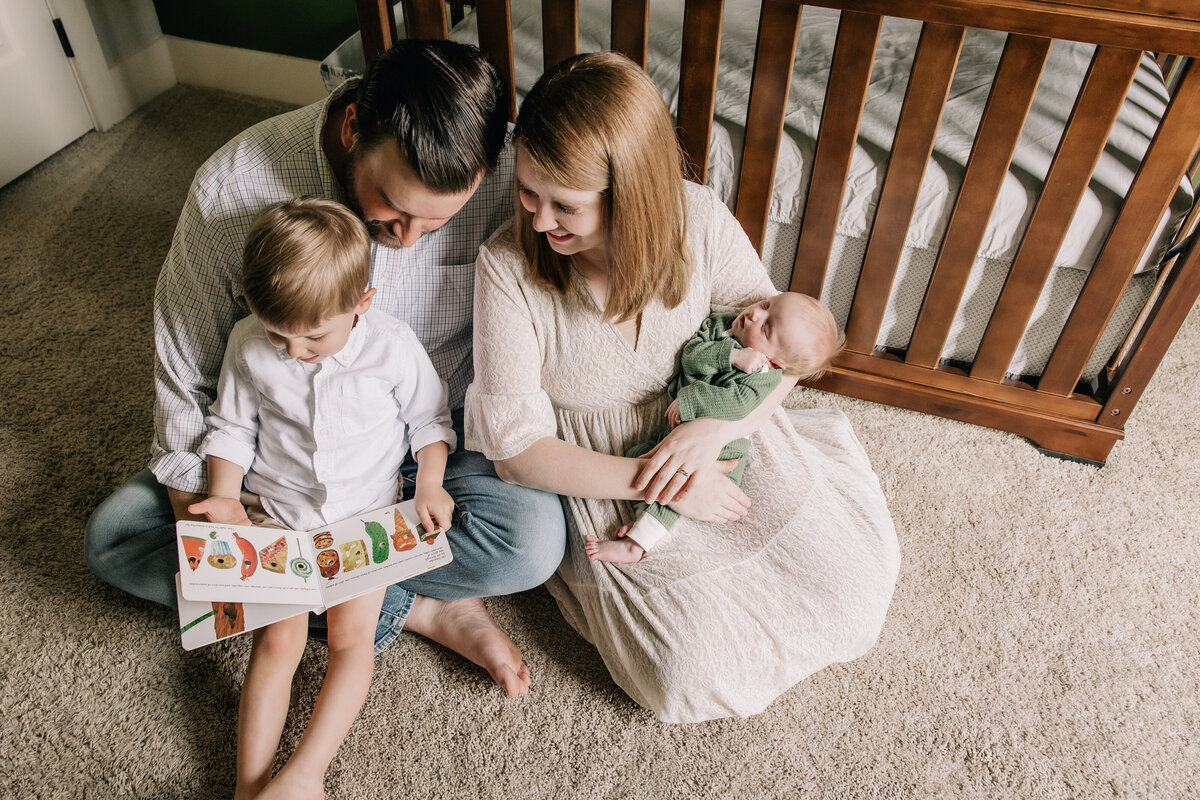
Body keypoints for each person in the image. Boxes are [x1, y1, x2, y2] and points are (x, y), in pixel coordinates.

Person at [83, 39, 565, 696]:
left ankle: (334, 593)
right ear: (351, 129)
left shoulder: (513, 174)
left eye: (435, 224)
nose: (406, 240)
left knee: (533, 541)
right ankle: (415, 606)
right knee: (117, 537)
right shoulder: (233, 188)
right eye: (392, 212)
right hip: (279, 457)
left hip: (428, 445)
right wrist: (218, 516)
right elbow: (186, 376)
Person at [464, 52, 901, 723]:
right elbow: (516, 452)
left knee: (853, 590)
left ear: (631, 192)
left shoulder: (697, 217)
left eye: (564, 204)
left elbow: (781, 354)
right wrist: (658, 480)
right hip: (608, 471)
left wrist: (718, 431)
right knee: (687, 673)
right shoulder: (506, 268)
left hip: (720, 429)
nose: (539, 218)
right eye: (527, 191)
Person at [193, 198, 458, 799]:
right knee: (277, 640)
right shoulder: (246, 345)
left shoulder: (391, 345)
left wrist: (432, 485)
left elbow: (430, 422)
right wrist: (224, 499)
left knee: (349, 641)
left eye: (313, 336)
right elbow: (231, 428)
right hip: (279, 517)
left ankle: (305, 774)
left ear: (362, 302)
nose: (292, 350)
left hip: (365, 522)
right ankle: (249, 786)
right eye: (277, 333)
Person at [584, 292, 843, 564]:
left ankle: (636, 545)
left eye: (766, 328)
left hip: (722, 450)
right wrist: (732, 355)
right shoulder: (723, 326)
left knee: (677, 482)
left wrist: (690, 401)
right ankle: (644, 516)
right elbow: (691, 358)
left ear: (778, 361)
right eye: (766, 305)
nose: (756, 314)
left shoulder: (765, 374)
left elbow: (738, 403)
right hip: (677, 431)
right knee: (637, 455)